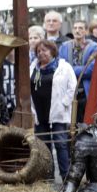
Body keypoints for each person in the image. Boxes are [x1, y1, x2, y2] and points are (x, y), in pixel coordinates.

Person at [30, 40, 76, 181]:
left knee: (61, 144)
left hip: (58, 112)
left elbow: (72, 86)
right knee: (43, 147)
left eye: (44, 50)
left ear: (53, 51)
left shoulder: (64, 67)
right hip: (39, 112)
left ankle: (65, 177)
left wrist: (64, 103)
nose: (40, 53)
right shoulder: (33, 67)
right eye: (38, 51)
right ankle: (48, 177)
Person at [59, 20, 97, 124]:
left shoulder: (93, 46)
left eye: (80, 28)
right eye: (75, 28)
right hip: (68, 90)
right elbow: (61, 67)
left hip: (85, 90)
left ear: (86, 31)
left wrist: (69, 70)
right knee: (70, 122)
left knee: (86, 121)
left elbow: (90, 69)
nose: (77, 30)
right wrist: (79, 69)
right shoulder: (64, 46)